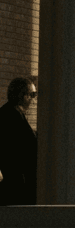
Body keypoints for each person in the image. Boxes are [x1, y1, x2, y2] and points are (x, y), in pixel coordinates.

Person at [0, 77, 38, 206]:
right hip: (16, 183)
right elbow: (30, 143)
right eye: (32, 94)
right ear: (23, 95)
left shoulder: (10, 112)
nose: (34, 99)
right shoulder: (13, 116)